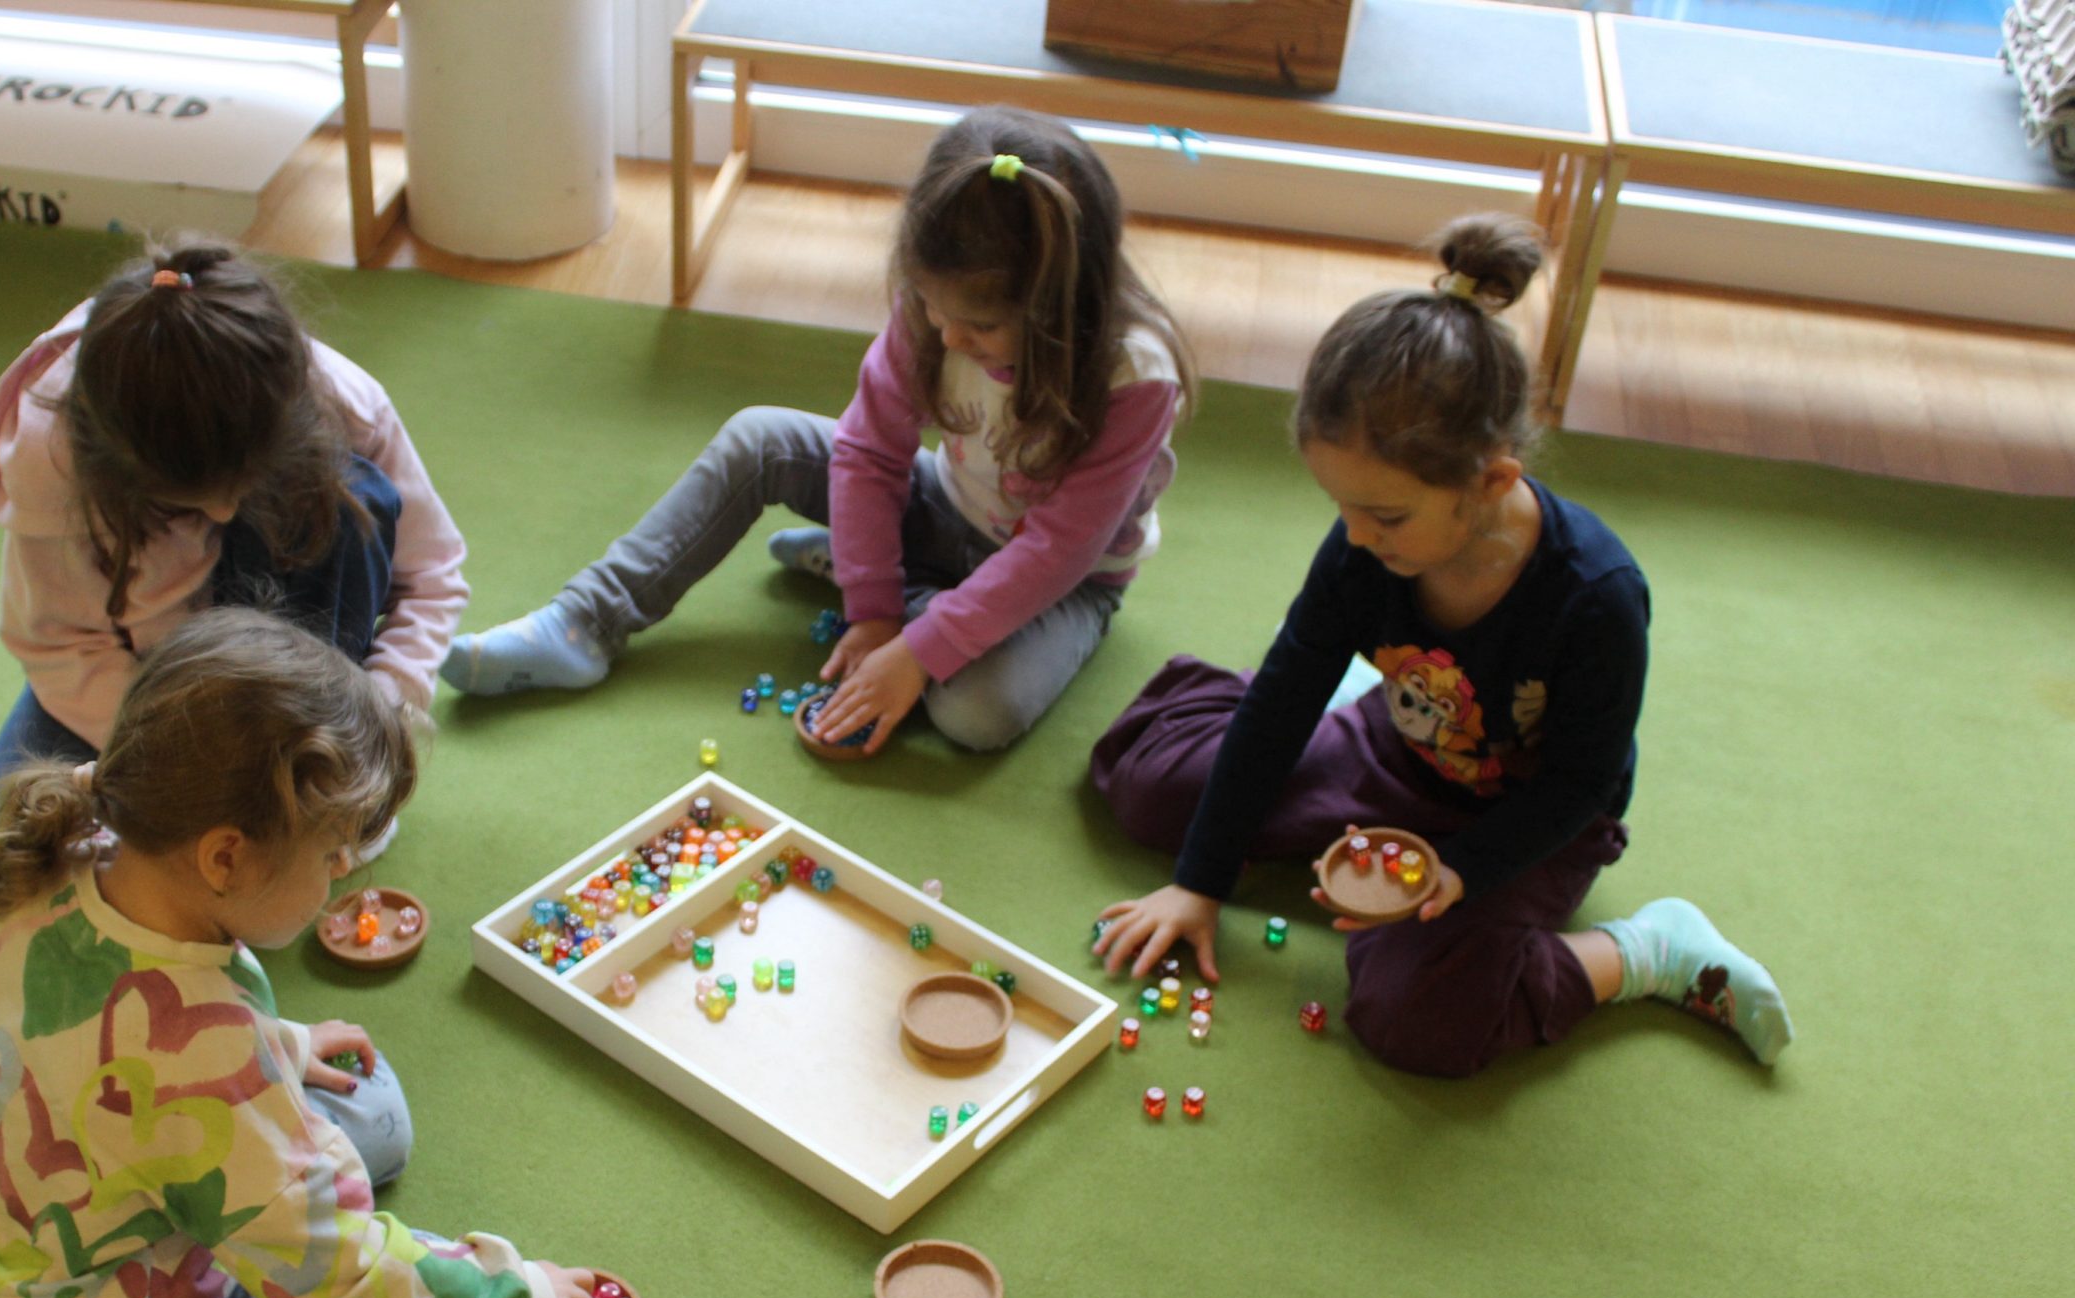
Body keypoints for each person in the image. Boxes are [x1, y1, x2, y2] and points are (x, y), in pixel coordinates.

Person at [0, 609, 596, 1298]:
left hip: (32, 1225)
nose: (346, 875)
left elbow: (95, 1045)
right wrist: (522, 1297)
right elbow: (354, 1288)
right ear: (224, 858)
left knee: (375, 1118)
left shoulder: (78, 831)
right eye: (332, 855)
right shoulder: (204, 1063)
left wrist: (275, 1046)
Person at [1089, 214, 1790, 1078]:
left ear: (1492, 481)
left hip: (1531, 817)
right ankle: (1360, 692)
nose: (1354, 535)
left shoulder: (1596, 596)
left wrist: (1461, 869)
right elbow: (1280, 699)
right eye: (1341, 506)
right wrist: (1200, 880)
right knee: (1153, 786)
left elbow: (1582, 785)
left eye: (1385, 516)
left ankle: (1651, 952)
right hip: (1404, 749)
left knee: (1413, 1016)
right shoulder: (1364, 548)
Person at [441, 105, 1192, 754]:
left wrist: (914, 650)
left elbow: (1056, 553)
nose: (948, 336)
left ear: (1061, 306)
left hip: (1068, 585)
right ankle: (585, 621)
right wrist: (872, 611)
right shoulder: (938, 304)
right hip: (949, 506)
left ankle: (897, 581)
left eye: (981, 326)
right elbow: (869, 452)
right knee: (760, 439)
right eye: (933, 309)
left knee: (975, 714)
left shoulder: (1134, 375)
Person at [0, 237, 467, 825]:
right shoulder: (55, 461)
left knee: (350, 493)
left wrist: (378, 712)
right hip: (144, 680)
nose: (227, 512)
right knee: (2, 849)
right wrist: (189, 758)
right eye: (186, 505)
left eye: (245, 484)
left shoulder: (345, 404)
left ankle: (316, 737)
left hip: (292, 659)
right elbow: (61, 646)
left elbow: (432, 576)